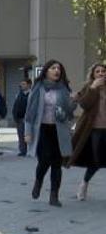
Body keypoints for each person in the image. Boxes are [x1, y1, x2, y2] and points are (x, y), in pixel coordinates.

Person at [25, 60, 76, 207]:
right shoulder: (38, 88)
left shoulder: (63, 89)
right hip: (42, 130)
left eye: (59, 68)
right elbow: (30, 112)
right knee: (44, 161)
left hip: (58, 131)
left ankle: (54, 196)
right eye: (53, 68)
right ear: (46, 71)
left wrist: (74, 101)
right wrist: (28, 132)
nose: (56, 70)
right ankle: (38, 181)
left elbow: (69, 112)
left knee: (56, 164)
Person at [68, 63, 106, 201]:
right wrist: (93, 87)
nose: (101, 73)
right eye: (98, 71)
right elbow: (84, 104)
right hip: (94, 130)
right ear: (93, 74)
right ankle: (84, 184)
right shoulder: (89, 87)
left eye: (103, 71)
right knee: (95, 161)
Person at [12, 79, 32, 156]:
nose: (22, 86)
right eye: (21, 84)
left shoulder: (32, 94)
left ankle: (31, 150)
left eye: (24, 84)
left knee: (29, 134)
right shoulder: (19, 94)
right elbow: (15, 106)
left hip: (28, 118)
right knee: (21, 135)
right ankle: (23, 150)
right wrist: (15, 116)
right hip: (19, 118)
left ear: (29, 85)